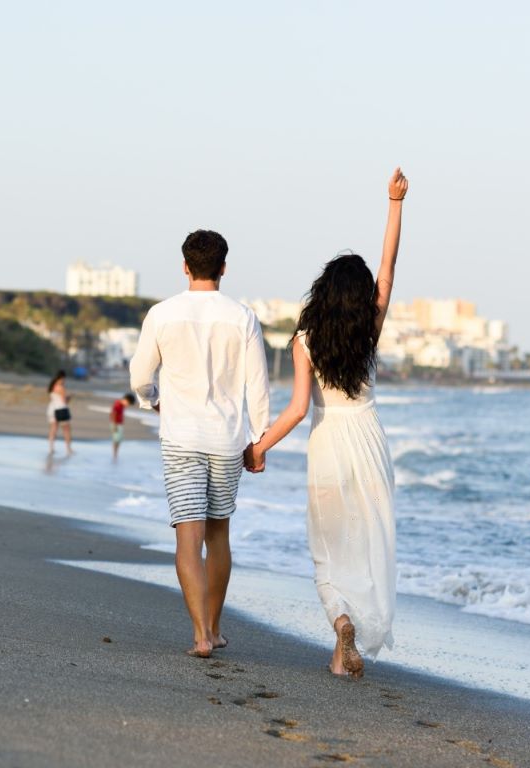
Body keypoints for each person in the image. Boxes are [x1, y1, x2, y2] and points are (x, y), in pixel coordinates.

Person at [250, 168, 409, 678]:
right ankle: (348, 642)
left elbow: (297, 409)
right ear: (360, 297)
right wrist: (394, 202)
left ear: (323, 291)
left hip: (329, 442)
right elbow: (387, 268)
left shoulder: (305, 339)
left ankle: (340, 621)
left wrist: (261, 446)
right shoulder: (369, 328)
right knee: (367, 540)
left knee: (328, 543)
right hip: (368, 438)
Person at [129, 230, 271, 658]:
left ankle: (200, 637)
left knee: (187, 537)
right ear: (224, 267)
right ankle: (215, 625)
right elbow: (257, 387)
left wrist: (153, 403)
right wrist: (259, 440)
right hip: (227, 440)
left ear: (185, 266)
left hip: (181, 437)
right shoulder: (242, 317)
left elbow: (140, 376)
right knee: (218, 536)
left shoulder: (162, 313)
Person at [46, 370, 73, 455]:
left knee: (53, 430)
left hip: (51, 409)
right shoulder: (61, 387)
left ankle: (51, 448)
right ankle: (68, 449)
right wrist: (69, 397)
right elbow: (64, 401)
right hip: (61, 408)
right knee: (66, 430)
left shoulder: (52, 386)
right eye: (64, 379)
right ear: (62, 378)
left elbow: (52, 398)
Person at [110, 392, 136, 460]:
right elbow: (113, 414)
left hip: (118, 424)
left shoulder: (121, 405)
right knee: (116, 439)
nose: (128, 405)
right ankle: (115, 454)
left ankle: (116, 453)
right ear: (126, 400)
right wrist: (114, 425)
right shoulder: (118, 404)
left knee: (118, 439)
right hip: (116, 424)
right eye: (128, 403)